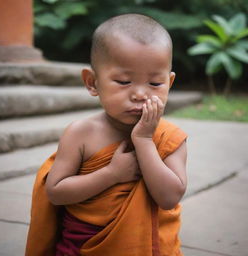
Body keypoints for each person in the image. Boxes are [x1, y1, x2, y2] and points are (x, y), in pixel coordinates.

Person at [25, 13, 187, 256]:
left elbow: (169, 197)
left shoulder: (169, 137)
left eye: (155, 84)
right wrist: (111, 174)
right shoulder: (82, 133)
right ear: (92, 82)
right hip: (83, 246)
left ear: (170, 83)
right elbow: (56, 192)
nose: (140, 94)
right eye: (123, 81)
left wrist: (143, 141)